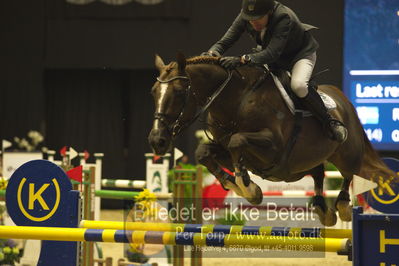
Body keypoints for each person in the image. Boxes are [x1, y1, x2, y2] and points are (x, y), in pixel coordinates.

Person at [202, 0, 347, 143]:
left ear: (269, 12)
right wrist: (213, 52)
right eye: (250, 19)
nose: (253, 23)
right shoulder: (247, 15)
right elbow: (226, 40)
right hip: (272, 57)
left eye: (258, 18)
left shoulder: (284, 17)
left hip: (298, 56)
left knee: (298, 86)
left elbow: (272, 53)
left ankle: (329, 122)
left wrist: (242, 59)